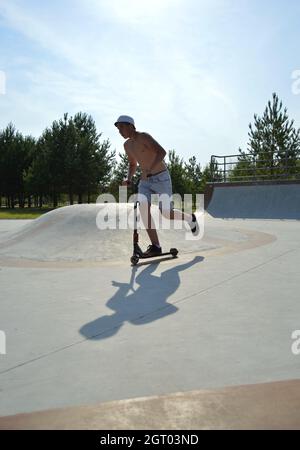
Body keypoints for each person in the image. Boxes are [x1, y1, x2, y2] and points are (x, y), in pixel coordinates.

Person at [114, 115, 199, 257]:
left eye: (122, 127)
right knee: (143, 210)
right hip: (145, 181)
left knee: (166, 213)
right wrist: (128, 178)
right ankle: (156, 246)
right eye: (118, 129)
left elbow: (162, 152)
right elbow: (132, 164)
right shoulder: (127, 145)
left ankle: (191, 219)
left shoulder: (144, 137)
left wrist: (149, 169)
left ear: (131, 126)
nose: (120, 131)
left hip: (161, 178)